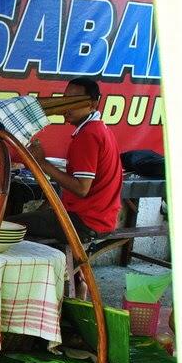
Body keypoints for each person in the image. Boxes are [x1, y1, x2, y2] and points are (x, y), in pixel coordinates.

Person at [11, 77, 123, 243]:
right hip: (100, 219)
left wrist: (43, 163)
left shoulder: (88, 135)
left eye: (73, 101)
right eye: (65, 100)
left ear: (93, 105)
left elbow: (81, 188)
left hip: (85, 222)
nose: (66, 107)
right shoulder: (98, 129)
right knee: (28, 218)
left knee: (7, 225)